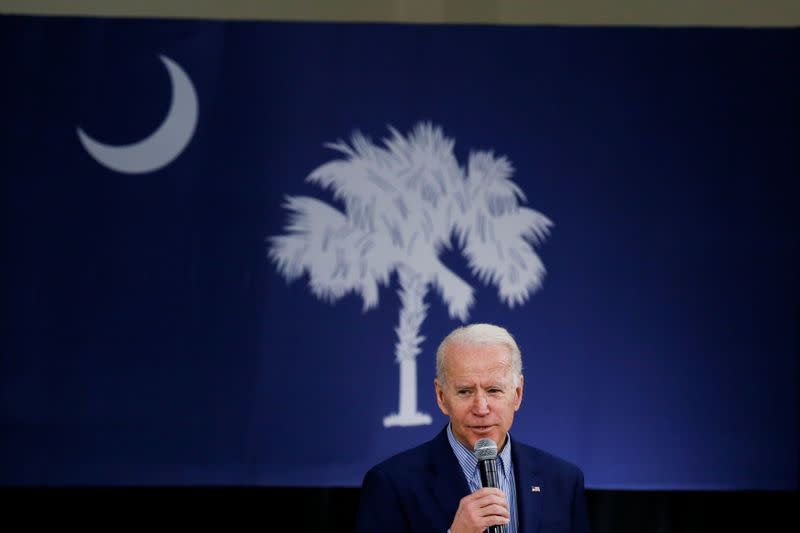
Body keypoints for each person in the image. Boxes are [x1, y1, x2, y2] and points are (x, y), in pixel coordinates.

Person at [356, 323, 591, 533]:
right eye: (465, 391)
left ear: (517, 394)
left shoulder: (563, 481)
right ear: (441, 397)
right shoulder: (391, 483)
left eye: (494, 390)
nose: (481, 407)